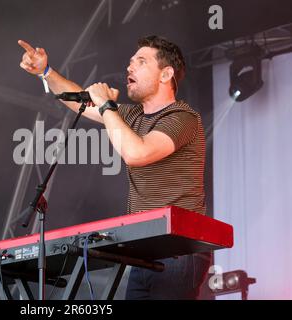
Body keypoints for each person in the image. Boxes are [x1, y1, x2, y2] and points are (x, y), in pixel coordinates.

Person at [18, 35, 211, 300]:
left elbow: (136, 153)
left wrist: (107, 105)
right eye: (130, 62)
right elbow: (79, 102)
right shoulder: (132, 116)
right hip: (146, 248)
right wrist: (46, 72)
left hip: (178, 249)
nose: (130, 67)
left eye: (141, 62)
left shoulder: (182, 117)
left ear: (166, 74)